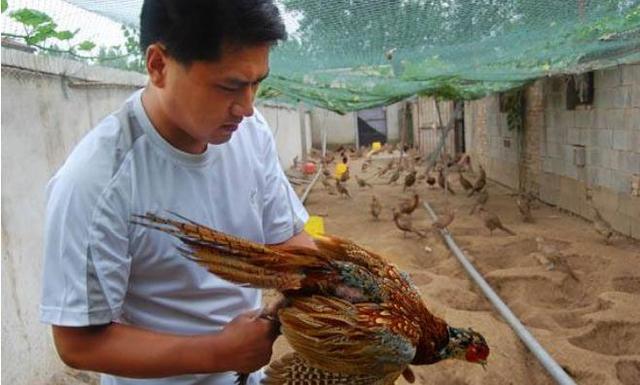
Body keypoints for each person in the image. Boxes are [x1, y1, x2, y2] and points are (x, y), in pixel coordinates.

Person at [39, 1, 315, 384]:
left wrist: (346, 285)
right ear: (158, 66)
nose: (247, 107)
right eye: (229, 86)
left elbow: (287, 238)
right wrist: (218, 352)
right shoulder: (96, 182)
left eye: (257, 83)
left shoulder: (250, 134)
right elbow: (77, 343)